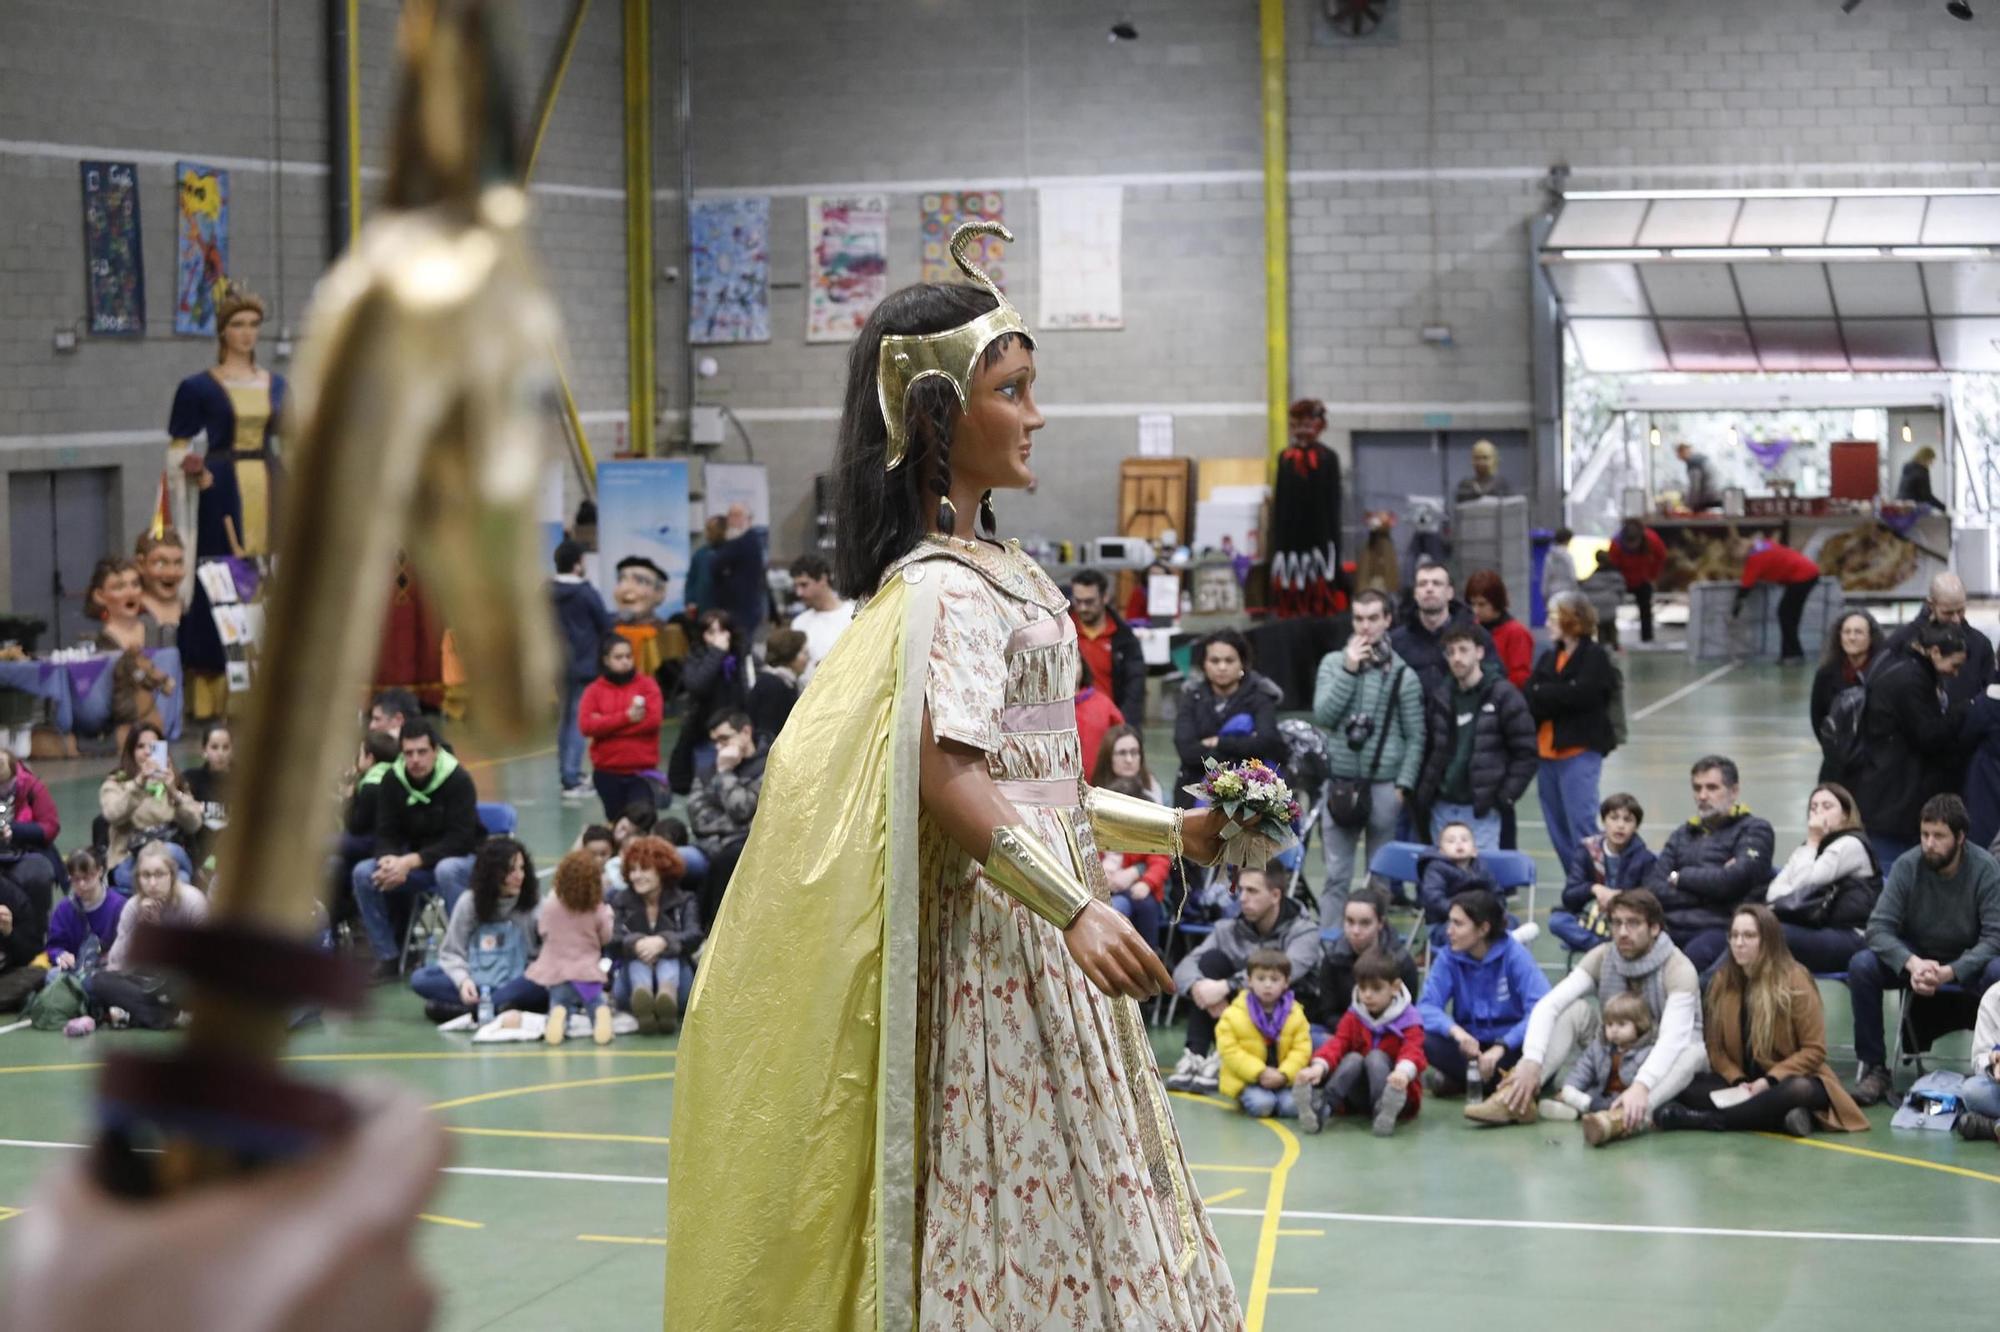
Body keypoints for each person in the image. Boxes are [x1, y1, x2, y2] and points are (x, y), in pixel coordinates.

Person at [667, 256, 1241, 1327]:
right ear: (936, 419)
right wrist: (1071, 905)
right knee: (1029, 1205)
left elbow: (1045, 783)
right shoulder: (943, 588)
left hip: (1044, 929)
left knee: (1096, 1203)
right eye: (1009, 390)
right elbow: (946, 773)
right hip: (1005, 948)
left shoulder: (1003, 569)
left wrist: (1178, 831)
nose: (1035, 415)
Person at [1484, 889, 1708, 1143]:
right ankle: (1519, 1097)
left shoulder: (1678, 968)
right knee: (1573, 1010)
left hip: (1662, 1061)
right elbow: (1549, 1005)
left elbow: (1672, 1040)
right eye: (1617, 923)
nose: (1623, 932)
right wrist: (1532, 1060)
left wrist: (1642, 1085)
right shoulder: (1603, 956)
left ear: (1654, 928)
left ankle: (1625, 1118)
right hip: (1615, 1046)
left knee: (1694, 1051)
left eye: (1633, 923)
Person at [1657, 905, 1870, 1137]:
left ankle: (1710, 1120)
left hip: (1789, 1079)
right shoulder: (1722, 981)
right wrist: (1737, 1079)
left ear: (1768, 940)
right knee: (1687, 1086)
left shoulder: (1795, 979)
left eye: (1749, 936)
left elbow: (1814, 1050)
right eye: (1734, 936)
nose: (1739, 943)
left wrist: (1768, 1081)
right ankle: (1780, 1118)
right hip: (1743, 1081)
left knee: (1797, 1090)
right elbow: (1715, 1049)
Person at [1846, 794, 2000, 1107]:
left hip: (1968, 955)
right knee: (1862, 965)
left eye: (1939, 836)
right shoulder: (1908, 865)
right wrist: (1912, 964)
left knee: (1998, 972)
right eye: (1925, 834)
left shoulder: (1985, 868)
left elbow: (1995, 937)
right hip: (1919, 953)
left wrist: (1951, 971)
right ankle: (1875, 1067)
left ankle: (1992, 1066)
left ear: (1960, 838)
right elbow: (1877, 928)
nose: (1929, 843)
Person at [1312, 590, 1424, 923]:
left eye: (1373, 618)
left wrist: (1403, 785)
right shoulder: (1333, 664)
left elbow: (1416, 735)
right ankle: (1330, 948)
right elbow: (1324, 716)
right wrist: (1349, 670)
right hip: (1340, 783)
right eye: (1359, 618)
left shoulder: (1403, 675)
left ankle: (1375, 950)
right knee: (1336, 875)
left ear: (1387, 620)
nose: (1365, 627)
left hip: (1384, 786)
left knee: (1380, 879)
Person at [1166, 862, 1324, 1094]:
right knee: (1211, 961)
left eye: (1252, 891)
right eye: (1241, 890)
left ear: (1275, 895)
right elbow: (1183, 969)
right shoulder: (1230, 928)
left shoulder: (1303, 932)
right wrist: (1200, 989)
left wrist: (1225, 986)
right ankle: (1197, 1056)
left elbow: (1286, 973)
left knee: (1257, 986)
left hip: (1288, 1016)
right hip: (1242, 1011)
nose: (1242, 898)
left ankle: (1225, 1056)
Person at [352, 718, 482, 982]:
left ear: (435, 751)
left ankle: (466, 955)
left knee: (447, 870)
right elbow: (385, 832)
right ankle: (389, 956)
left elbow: (461, 839)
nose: (415, 760)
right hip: (414, 863)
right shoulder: (393, 780)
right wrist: (388, 860)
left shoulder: (458, 779)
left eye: (422, 752)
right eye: (408, 753)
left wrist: (411, 861)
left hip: (459, 860)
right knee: (363, 873)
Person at [1851, 619, 1972, 869]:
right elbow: (1929, 735)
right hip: (1894, 801)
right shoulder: (1911, 681)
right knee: (1893, 874)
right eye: (1955, 664)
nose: (1955, 672)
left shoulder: (1900, 664)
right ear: (1935, 652)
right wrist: (1962, 711)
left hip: (1887, 795)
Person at [1646, 755, 1777, 974]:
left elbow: (1734, 882)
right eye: (1697, 788)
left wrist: (1681, 878)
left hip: (1720, 929)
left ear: (1734, 791)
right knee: (1629, 952)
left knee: (1685, 966)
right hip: (1671, 925)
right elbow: (1654, 888)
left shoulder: (1755, 830)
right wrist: (1713, 890)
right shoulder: (1682, 834)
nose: (1702, 796)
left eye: (1712, 788)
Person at [1414, 624, 1537, 851]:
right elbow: (1429, 748)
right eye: (1450, 652)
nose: (1456, 658)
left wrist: (1504, 797)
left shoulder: (1504, 695)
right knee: (1441, 877)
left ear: (1479, 652)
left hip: (1482, 810)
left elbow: (1527, 753)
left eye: (1463, 650)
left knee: (1480, 879)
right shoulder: (1441, 697)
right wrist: (1425, 795)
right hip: (1442, 806)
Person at [1523, 592, 1620, 880]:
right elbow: (1531, 694)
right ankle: (1576, 881)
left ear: (1573, 620)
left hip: (1579, 751)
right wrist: (1557, 693)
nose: (1550, 623)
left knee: (1582, 824)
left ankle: (1601, 882)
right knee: (1557, 826)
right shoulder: (1550, 656)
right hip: (1546, 752)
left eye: (1555, 617)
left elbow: (1584, 696)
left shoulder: (1595, 656)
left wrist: (1549, 693)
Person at [1416, 889, 1549, 1098]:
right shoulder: (1449, 956)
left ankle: (1465, 1080)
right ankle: (1495, 1083)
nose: (1449, 931)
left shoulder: (1515, 955)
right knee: (1421, 1036)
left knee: (1541, 1045)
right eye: (1450, 922)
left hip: (1511, 1047)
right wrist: (1456, 1033)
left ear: (1483, 929)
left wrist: (1503, 1045)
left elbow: (1541, 1009)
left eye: (1458, 924)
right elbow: (1426, 1007)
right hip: (1471, 1047)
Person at [406, 837, 543, 1024]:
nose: (519, 876)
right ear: (493, 874)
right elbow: (451, 953)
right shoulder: (469, 902)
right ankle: (499, 1007)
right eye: (511, 870)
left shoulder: (536, 905)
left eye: (521, 868)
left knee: (544, 984)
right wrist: (463, 982)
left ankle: (469, 1011)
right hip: (479, 979)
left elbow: (549, 959)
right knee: (421, 979)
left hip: (518, 980)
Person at [1294, 946, 1426, 1136]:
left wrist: (1403, 1074)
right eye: (1362, 988)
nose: (1367, 995)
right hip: (1360, 1094)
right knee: (1353, 1058)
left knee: (1375, 1057)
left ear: (1395, 988)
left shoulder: (1410, 1018)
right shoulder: (1355, 1014)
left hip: (1397, 1089)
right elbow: (1338, 1043)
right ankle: (1324, 1108)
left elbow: (1413, 1050)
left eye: (1376, 988)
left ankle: (1386, 1109)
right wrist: (1319, 1067)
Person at [1764, 783, 1881, 975]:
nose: (1818, 813)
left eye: (1827, 807)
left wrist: (1813, 841)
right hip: (1817, 931)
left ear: (1845, 814)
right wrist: (1811, 845)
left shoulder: (1850, 844)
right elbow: (1773, 893)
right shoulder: (1808, 848)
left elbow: (1802, 885)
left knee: (1767, 935)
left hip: (1851, 937)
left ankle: (1709, 988)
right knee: (1750, 932)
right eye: (1813, 807)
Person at [94, 842, 208, 1028]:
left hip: (183, 979)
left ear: (172, 875)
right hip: (149, 982)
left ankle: (147, 1015)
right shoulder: (133, 907)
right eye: (146, 876)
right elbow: (117, 965)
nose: (153, 883)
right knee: (100, 982)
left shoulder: (193, 902)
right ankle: (170, 1017)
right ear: (138, 878)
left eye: (160, 874)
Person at [1172, 627, 1283, 808]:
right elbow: (1187, 750)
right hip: (1194, 793)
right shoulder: (1191, 697)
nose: (1222, 667)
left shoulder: (1260, 696)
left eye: (1229, 660)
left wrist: (1218, 742)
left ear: (1242, 663)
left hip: (1252, 798)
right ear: (1204, 664)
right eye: (1214, 660)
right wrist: (1240, 748)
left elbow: (1267, 742)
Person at [611, 834, 699, 1035]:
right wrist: (637, 943)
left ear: (662, 870)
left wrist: (663, 941)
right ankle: (644, 1000)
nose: (636, 876)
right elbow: (611, 939)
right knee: (638, 955)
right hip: (629, 983)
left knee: (667, 954)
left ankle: (666, 996)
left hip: (679, 981)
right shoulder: (620, 900)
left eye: (644, 869)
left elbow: (694, 935)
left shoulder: (685, 899)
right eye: (632, 870)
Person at [527, 849, 616, 1048]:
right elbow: (606, 937)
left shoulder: (551, 905)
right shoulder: (598, 909)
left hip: (558, 969)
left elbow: (542, 930)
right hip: (586, 971)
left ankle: (558, 1018)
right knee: (595, 1003)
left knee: (559, 1003)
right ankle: (600, 1019)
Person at [1300, 885, 1420, 1031]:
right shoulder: (1333, 959)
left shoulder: (1401, 962)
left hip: (1389, 1035)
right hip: (1344, 1032)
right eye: (1350, 922)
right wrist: (1354, 1033)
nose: (1355, 931)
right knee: (1310, 1034)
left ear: (1380, 923)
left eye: (1365, 923)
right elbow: (1328, 1012)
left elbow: (1408, 1015)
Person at [687, 711, 767, 927]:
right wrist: (736, 825)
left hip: (747, 848)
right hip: (709, 845)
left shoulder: (768, 766)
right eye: (714, 741)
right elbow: (697, 818)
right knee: (668, 859)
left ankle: (708, 932)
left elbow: (743, 808)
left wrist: (724, 773)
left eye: (724, 739)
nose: (718, 747)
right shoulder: (706, 769)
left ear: (745, 732)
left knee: (729, 858)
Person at [98, 722, 200, 889]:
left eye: (153, 747)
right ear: (131, 752)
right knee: (172, 855)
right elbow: (112, 815)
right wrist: (138, 785)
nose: (147, 752)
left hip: (167, 864)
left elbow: (194, 824)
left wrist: (174, 792)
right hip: (128, 862)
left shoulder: (174, 782)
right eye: (140, 746)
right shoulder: (117, 783)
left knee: (181, 878)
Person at [1550, 793, 1656, 953]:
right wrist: (1594, 889)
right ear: (1604, 821)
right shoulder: (1587, 850)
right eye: (1614, 818)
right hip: (1592, 917)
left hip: (1625, 921)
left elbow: (1651, 898)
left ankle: (1600, 949)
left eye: (1628, 820)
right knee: (1557, 922)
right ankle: (1606, 950)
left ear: (1636, 827)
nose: (1620, 825)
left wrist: (1619, 897)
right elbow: (1569, 896)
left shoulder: (1644, 858)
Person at [1216, 947, 1313, 1120]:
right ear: (1249, 980)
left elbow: (1302, 1049)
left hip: (1283, 1079)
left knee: (1291, 1107)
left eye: (1275, 979)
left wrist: (1284, 1074)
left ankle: (1280, 1096)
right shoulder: (1233, 1014)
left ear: (1286, 982)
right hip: (1249, 1079)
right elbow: (1229, 1051)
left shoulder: (1296, 1013)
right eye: (1261, 978)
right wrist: (1260, 1072)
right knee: (1263, 1105)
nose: (1267, 984)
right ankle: (1251, 1097)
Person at [552, 537, 614, 801]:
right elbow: (605, 626)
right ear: (578, 564)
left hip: (557, 666)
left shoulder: (544, 592)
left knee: (564, 720)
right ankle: (572, 778)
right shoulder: (586, 593)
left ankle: (566, 774)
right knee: (577, 722)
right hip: (585, 666)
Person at [578, 634, 664, 823]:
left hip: (642, 772)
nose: (625, 661)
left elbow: (652, 721)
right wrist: (627, 718)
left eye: (628, 656)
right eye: (618, 657)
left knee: (640, 822)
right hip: (607, 772)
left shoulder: (647, 685)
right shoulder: (594, 691)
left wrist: (605, 725)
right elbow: (586, 726)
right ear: (606, 660)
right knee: (617, 825)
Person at [667, 609, 752, 796]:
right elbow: (697, 685)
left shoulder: (742, 656)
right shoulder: (696, 657)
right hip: (706, 735)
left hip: (738, 733)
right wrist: (716, 653)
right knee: (708, 789)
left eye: (721, 631)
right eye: (710, 632)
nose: (717, 637)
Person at [1537, 991, 1655, 1122]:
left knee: (1614, 1107)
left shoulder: (1647, 1052)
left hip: (1624, 1099)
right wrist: (1571, 1087)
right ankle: (1575, 1109)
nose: (1614, 1030)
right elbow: (1583, 1069)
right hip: (1601, 1093)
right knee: (1579, 1093)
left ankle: (1583, 1108)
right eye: (1609, 1024)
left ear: (1639, 1025)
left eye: (1622, 1024)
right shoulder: (1599, 1047)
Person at [1883, 572, 1996, 709]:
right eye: (1948, 612)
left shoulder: (1980, 645)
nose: (1956, 619)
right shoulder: (1902, 641)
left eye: (1960, 611)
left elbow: (1989, 695)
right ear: (1931, 605)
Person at [1390, 561, 1493, 696]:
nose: (1429, 589)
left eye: (1437, 583)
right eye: (1422, 584)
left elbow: (1494, 679)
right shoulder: (1396, 641)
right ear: (1415, 593)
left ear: (1450, 592)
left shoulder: (1475, 635)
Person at [1810, 609, 1884, 786]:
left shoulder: (1882, 672)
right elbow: (1817, 717)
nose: (1851, 637)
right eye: (1847, 632)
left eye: (1858, 632)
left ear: (1870, 637)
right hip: (1837, 764)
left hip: (1874, 765)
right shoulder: (1826, 674)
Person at [1068, 567, 1147, 723]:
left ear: (1105, 597)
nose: (1083, 608)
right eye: (1078, 601)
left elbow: (1134, 687)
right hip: (1071, 722)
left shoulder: (1124, 639)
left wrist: (1124, 725)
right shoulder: (1062, 633)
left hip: (1110, 723)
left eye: (1089, 602)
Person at [1732, 536, 1821, 664]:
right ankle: (1791, 653)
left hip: (1802, 577)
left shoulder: (1755, 558)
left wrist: (1736, 606)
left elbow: (1746, 585)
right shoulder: (1761, 545)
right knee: (1789, 615)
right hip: (1808, 572)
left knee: (1785, 614)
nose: (1739, 561)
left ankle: (1792, 655)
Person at [0, 749, 60, 922]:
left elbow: (51, 827)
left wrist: (15, 830)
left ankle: (37, 929)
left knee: (37, 876)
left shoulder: (32, 787)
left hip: (27, 850)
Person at [44, 847, 124, 975]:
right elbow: (53, 946)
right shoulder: (63, 909)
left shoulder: (118, 906)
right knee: (51, 976)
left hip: (108, 973)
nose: (82, 885)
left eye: (87, 878)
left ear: (100, 872)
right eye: (76, 879)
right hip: (75, 970)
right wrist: (60, 955)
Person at [1417, 822, 1499, 942]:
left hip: (1480, 919)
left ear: (1474, 850)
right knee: (1470, 933)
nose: (1459, 843)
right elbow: (1433, 898)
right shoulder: (1435, 868)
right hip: (1445, 922)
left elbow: (1496, 892)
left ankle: (1508, 944)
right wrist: (1461, 915)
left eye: (1464, 840)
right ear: (1441, 851)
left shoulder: (1482, 867)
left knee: (1509, 922)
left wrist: (1497, 912)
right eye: (1451, 841)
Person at [708, 502, 772, 639]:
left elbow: (716, 564)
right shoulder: (735, 541)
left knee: (740, 651)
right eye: (730, 515)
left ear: (748, 519)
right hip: (733, 608)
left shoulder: (744, 541)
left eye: (737, 515)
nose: (732, 519)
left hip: (742, 610)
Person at [788, 553, 855, 682]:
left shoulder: (852, 615)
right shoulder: (799, 623)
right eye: (796, 586)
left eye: (804, 585)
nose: (799, 593)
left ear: (823, 579)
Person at [1600, 518, 1668, 644]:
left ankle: (1647, 639)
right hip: (1622, 579)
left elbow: (1661, 557)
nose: (1632, 546)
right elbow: (1613, 567)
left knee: (1645, 608)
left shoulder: (1652, 540)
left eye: (1634, 543)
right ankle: (1610, 639)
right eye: (1629, 543)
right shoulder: (1616, 544)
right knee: (1609, 606)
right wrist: (1617, 582)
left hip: (1642, 579)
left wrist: (1652, 576)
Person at [179, 720, 232, 875]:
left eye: (226, 747)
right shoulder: (191, 778)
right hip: (201, 851)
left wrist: (204, 808)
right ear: (204, 750)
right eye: (214, 747)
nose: (220, 753)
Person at [1464, 569, 1532, 687]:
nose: (1476, 610)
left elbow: (1520, 677)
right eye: (1473, 604)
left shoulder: (1517, 633)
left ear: (1496, 602)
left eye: (1482, 604)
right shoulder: (1471, 627)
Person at [1953, 982, 2000, 1140]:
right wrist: (1993, 1063)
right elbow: (1979, 1058)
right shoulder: (1994, 997)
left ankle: (1992, 1127)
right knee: (1972, 1091)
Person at [748, 627, 807, 739]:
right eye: (803, 653)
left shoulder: (789, 683)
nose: (807, 658)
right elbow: (768, 730)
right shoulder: (772, 684)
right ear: (790, 654)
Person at [1072, 658, 1125, 782]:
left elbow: (1123, 741)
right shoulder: (1042, 708)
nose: (1070, 666)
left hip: (1100, 786)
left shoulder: (1103, 705)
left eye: (1076, 660)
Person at [1091, 721, 1164, 806]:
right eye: (1122, 753)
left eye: (1134, 752)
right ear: (1108, 757)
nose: (1129, 760)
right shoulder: (1095, 794)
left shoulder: (1152, 788)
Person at [1579, 552, 1626, 650]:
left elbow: (1585, 587)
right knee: (1611, 626)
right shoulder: (1615, 573)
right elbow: (1621, 588)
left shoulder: (1595, 575)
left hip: (1598, 606)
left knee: (1600, 628)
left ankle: (1602, 650)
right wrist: (1619, 600)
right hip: (1610, 603)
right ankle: (1615, 647)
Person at [1453, 438, 1511, 503]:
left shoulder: (1502, 485)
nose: (1481, 462)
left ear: (1494, 459)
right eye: (1477, 458)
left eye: (1485, 457)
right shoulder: (1465, 486)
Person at [1676, 441, 1720, 511]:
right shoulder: (1700, 459)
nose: (1677, 456)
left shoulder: (1694, 463)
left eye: (1678, 453)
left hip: (1708, 500)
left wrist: (1689, 505)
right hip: (1715, 497)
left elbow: (1695, 487)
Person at [1541, 527, 1579, 607]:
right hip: (1567, 595)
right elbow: (1572, 577)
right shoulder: (1568, 557)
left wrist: (1544, 596)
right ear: (1566, 540)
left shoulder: (1549, 557)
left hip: (1553, 595)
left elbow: (1546, 577)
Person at [1897, 445, 1943, 510]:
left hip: (1900, 504)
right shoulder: (1922, 471)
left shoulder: (1907, 466)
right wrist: (1944, 507)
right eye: (1931, 461)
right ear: (1926, 458)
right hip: (1913, 507)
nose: (1931, 464)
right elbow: (1927, 496)